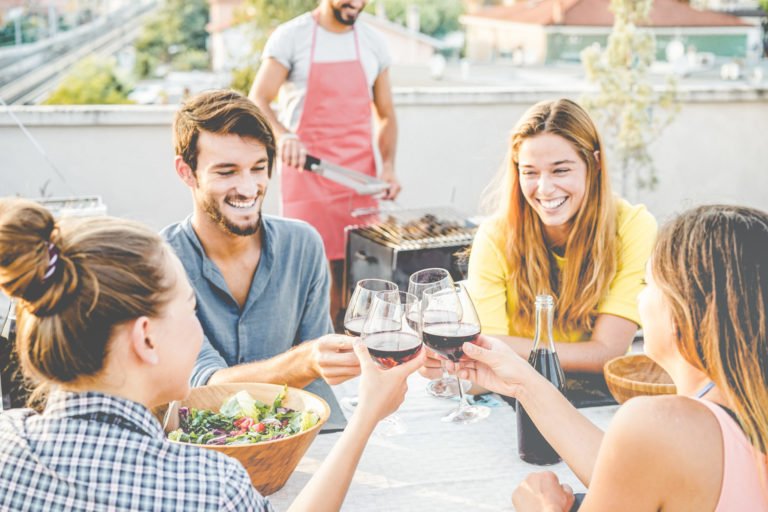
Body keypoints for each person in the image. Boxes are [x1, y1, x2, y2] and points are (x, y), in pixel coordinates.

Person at [0, 197, 425, 511]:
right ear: (146, 339)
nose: (198, 325)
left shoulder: (7, 444)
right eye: (190, 308)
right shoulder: (207, 487)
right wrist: (367, 414)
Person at [456, 204, 768, 511]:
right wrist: (523, 383)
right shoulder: (739, 417)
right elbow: (631, 469)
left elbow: (643, 453)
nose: (637, 297)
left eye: (646, 284)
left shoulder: (661, 425)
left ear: (682, 312)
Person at [162, 90, 357, 422]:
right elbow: (206, 389)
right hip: (209, 447)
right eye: (227, 172)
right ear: (187, 172)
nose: (249, 188)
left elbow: (318, 384)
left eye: (259, 168)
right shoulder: (160, 264)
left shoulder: (303, 245)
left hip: (309, 433)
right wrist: (307, 359)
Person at [455, 98, 657, 374]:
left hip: (597, 399)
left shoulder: (633, 226)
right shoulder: (495, 236)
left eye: (560, 170)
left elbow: (609, 353)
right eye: (530, 172)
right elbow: (486, 353)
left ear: (594, 163)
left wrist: (502, 348)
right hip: (515, 391)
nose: (545, 188)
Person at [250, 0, 400, 325]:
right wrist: (283, 135)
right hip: (307, 175)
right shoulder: (291, 37)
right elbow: (259, 98)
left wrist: (387, 167)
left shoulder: (373, 42)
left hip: (357, 178)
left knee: (358, 283)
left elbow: (386, 115)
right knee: (309, 276)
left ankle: (355, 366)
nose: (356, 4)